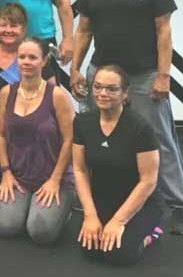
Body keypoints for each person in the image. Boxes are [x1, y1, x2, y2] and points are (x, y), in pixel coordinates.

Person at [71, 0, 183, 235]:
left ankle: (180, 206)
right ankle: (94, 201)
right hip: (101, 75)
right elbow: (84, 30)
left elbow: (164, 31)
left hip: (143, 76)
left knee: (160, 140)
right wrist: (75, 69)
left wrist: (163, 75)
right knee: (96, 139)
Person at [74, 65, 162, 265]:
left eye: (112, 89)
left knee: (119, 254)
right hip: (104, 197)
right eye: (97, 87)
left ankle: (153, 233)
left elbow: (148, 181)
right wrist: (90, 215)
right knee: (91, 249)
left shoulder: (141, 128)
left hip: (140, 202)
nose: (102, 93)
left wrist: (118, 221)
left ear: (125, 93)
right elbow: (80, 170)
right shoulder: (82, 122)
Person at [0, 38, 75, 244]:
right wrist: (5, 172)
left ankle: (62, 210)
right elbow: (0, 134)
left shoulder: (57, 96)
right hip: (18, 177)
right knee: (6, 226)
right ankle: (29, 206)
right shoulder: (6, 93)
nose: (26, 62)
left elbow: (69, 140)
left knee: (41, 232)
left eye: (32, 57)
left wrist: (55, 180)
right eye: (22, 57)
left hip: (53, 177)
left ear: (44, 61)